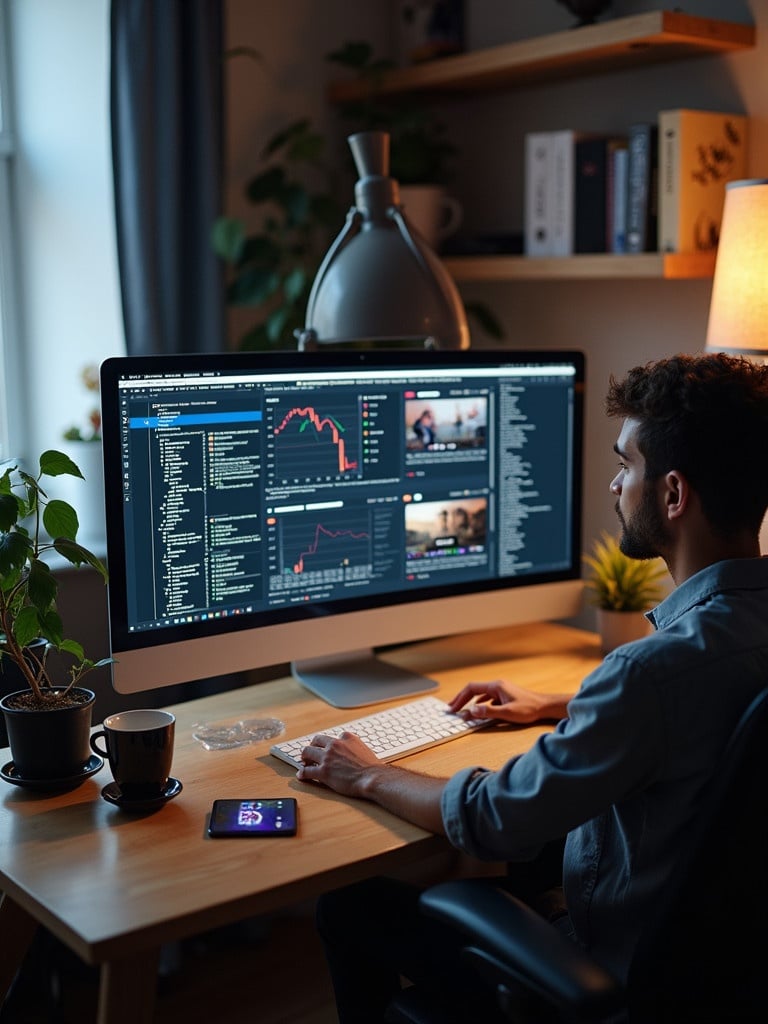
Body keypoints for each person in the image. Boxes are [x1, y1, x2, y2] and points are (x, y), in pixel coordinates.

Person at [297, 353, 768, 1023]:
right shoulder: (703, 655)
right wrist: (564, 705)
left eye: (626, 465)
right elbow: (701, 703)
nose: (613, 485)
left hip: (616, 975)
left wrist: (364, 774)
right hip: (725, 978)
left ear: (672, 494)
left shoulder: (646, 677)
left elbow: (493, 818)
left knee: (348, 906)